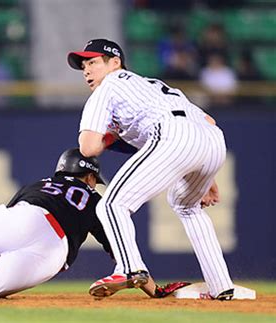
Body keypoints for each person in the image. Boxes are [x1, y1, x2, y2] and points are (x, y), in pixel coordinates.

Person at [67, 39, 234, 300]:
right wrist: (207, 176)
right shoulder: (153, 85)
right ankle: (221, 286)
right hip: (213, 140)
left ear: (115, 63)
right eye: (83, 66)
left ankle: (130, 268)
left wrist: (110, 136)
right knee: (186, 206)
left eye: (92, 62)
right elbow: (208, 121)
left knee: (111, 205)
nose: (86, 70)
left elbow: (88, 148)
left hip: (174, 134)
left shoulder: (108, 86)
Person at [0, 148, 189, 301]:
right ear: (90, 178)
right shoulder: (97, 201)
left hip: (27, 218)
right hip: (52, 253)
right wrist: (154, 289)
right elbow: (120, 251)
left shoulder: (40, 184)